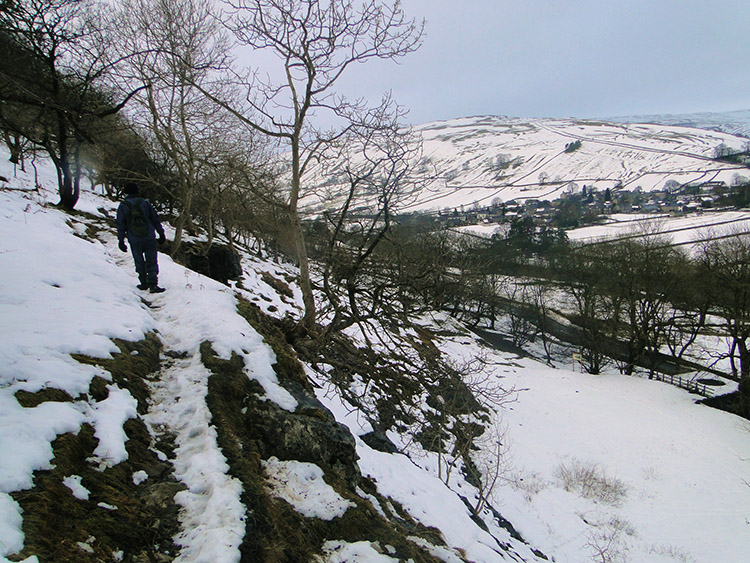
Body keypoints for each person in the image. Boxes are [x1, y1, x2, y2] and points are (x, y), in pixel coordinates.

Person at [116, 182, 167, 293]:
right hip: (149, 237)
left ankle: (143, 283)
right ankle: (153, 284)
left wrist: (121, 240)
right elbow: (155, 219)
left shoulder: (123, 206)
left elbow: (120, 224)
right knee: (152, 260)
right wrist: (161, 233)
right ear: (137, 191)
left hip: (134, 239)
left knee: (139, 261)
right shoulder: (145, 203)